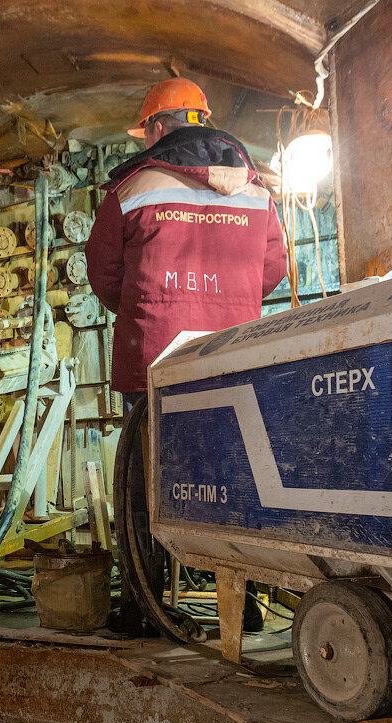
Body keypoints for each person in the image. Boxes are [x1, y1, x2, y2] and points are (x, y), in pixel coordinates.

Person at [86, 78, 288, 634]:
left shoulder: (133, 188)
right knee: (235, 480)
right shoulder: (254, 189)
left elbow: (105, 277)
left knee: (143, 485)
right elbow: (273, 272)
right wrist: (229, 299)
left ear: (154, 128)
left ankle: (144, 608)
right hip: (233, 357)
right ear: (202, 121)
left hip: (155, 357)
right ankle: (242, 609)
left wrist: (150, 302)